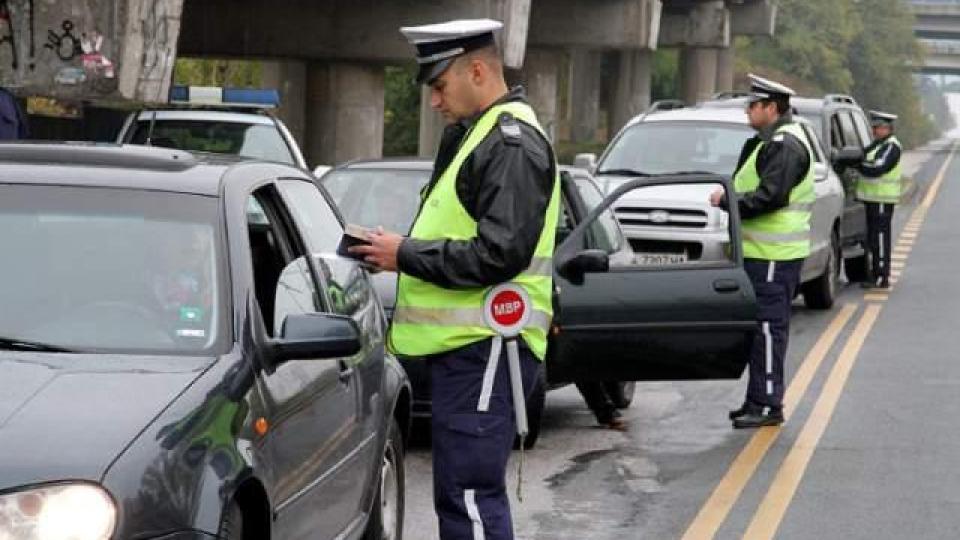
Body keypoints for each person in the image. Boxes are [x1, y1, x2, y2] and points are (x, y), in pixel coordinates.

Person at [350, 19, 560, 540]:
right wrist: (397, 251)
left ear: (478, 70)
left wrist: (407, 255)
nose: (435, 102)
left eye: (439, 86)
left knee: (468, 495)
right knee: (461, 494)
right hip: (470, 350)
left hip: (489, 346)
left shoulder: (509, 144)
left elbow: (498, 254)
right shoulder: (480, 137)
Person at [709, 74, 814, 429]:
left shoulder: (785, 144)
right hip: (761, 253)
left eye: (753, 105)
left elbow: (770, 197)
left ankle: (769, 404)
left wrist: (729, 202)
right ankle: (757, 398)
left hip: (774, 256)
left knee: (769, 329)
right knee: (759, 330)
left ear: (771, 107)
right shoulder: (767, 141)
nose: (747, 111)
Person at [856, 110, 902, 289]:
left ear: (887, 128)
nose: (874, 131)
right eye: (874, 127)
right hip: (872, 200)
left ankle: (881, 275)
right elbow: (861, 155)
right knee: (872, 238)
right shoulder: (877, 144)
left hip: (882, 199)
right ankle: (875, 273)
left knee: (880, 238)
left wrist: (857, 165)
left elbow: (877, 168)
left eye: (878, 127)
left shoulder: (891, 146)